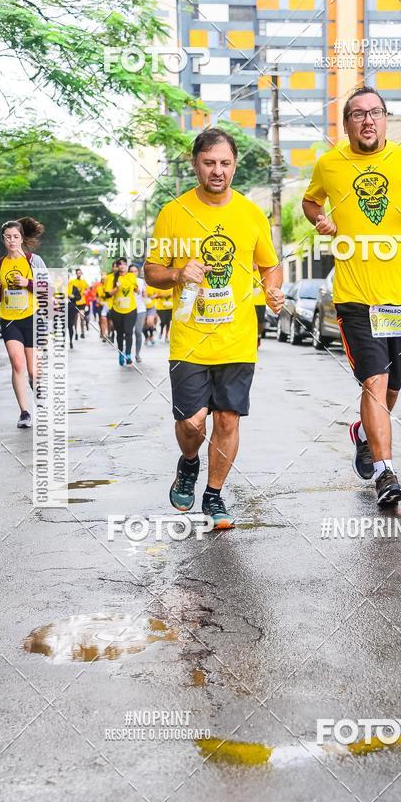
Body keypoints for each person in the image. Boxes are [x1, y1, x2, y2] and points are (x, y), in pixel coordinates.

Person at [302, 86, 401, 506]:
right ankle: (386, 474)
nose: (368, 120)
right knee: (374, 380)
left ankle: (363, 433)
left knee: (391, 388)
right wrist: (321, 220)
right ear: (346, 123)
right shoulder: (329, 164)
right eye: (358, 114)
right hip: (354, 296)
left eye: (375, 113)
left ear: (386, 119)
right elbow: (310, 202)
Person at [145, 127, 284, 528]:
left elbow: (269, 266)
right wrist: (177, 273)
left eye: (225, 163)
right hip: (189, 338)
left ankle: (214, 495)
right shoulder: (173, 213)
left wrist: (272, 291)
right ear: (195, 165)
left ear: (235, 165)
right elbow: (151, 271)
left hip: (237, 338)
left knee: (227, 420)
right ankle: (189, 461)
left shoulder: (251, 213)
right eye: (209, 163)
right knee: (192, 422)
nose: (217, 170)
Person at [0, 217, 47, 428]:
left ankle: (37, 388)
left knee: (33, 370)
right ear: (3, 239)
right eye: (8, 237)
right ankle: (24, 412)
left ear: (22, 238)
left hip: (32, 317)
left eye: (15, 236)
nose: (12, 240)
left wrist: (27, 282)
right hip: (9, 319)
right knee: (17, 363)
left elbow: (47, 289)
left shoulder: (34, 261)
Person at [104, 257, 138, 366]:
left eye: (124, 264)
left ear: (126, 266)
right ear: (117, 266)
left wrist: (138, 289)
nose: (122, 266)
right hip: (117, 310)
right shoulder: (111, 278)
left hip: (131, 309)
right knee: (119, 333)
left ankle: (128, 355)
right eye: (120, 264)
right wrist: (116, 288)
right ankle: (120, 353)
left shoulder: (131, 276)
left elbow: (137, 289)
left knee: (128, 332)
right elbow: (108, 294)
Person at [129, 263, 147, 362]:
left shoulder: (141, 281)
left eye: (135, 271)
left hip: (140, 309)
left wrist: (144, 292)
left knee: (138, 331)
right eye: (131, 271)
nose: (133, 273)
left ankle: (137, 354)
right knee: (128, 332)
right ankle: (127, 353)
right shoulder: (125, 280)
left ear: (138, 272)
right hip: (128, 309)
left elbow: (144, 294)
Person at [67, 268, 89, 339]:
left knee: (82, 317)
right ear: (76, 273)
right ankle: (76, 332)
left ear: (81, 273)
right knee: (75, 318)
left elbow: (88, 288)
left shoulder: (84, 281)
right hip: (75, 303)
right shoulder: (72, 281)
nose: (79, 274)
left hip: (82, 302)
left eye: (80, 273)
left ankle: (82, 332)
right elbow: (69, 289)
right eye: (77, 273)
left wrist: (86, 292)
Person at [253, 265, 266, 348]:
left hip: (260, 302)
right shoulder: (245, 269)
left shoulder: (262, 272)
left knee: (260, 322)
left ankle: (258, 336)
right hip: (247, 302)